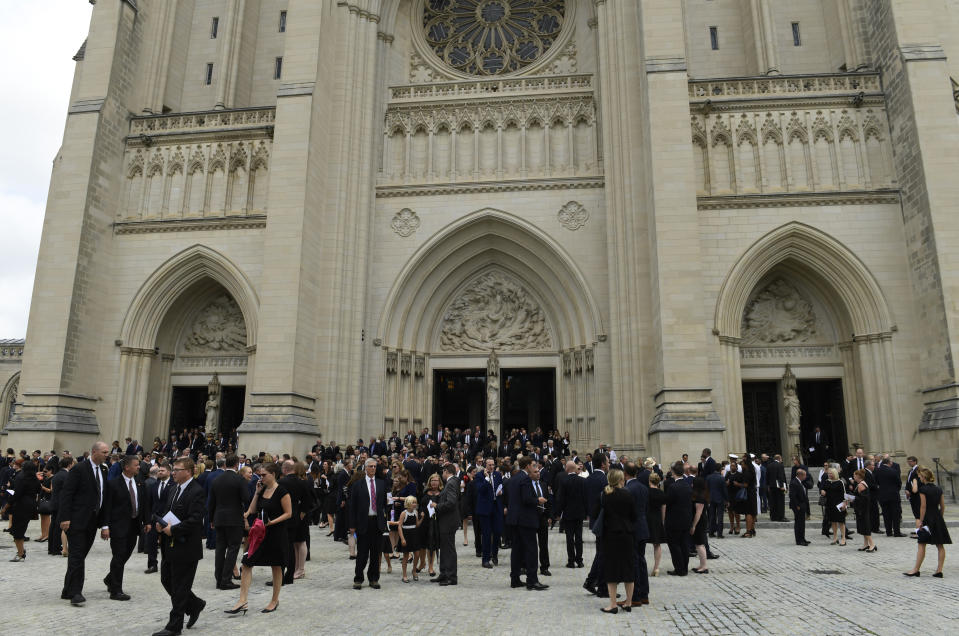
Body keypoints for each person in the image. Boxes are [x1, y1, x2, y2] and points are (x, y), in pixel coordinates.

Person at [227, 462, 291, 616]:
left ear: (273, 474)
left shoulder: (282, 491)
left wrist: (271, 522)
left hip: (276, 533)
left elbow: (289, 513)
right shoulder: (261, 490)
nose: (261, 477)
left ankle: (274, 600)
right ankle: (242, 600)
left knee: (276, 566)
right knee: (247, 563)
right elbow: (254, 509)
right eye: (260, 475)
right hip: (259, 534)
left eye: (264, 475)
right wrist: (256, 493)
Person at [153, 457, 207, 636]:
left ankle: (174, 626)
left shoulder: (197, 491)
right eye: (173, 469)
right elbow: (170, 513)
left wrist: (173, 530)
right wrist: (161, 525)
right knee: (167, 580)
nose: (173, 472)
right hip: (170, 545)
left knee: (180, 586)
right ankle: (195, 604)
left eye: (177, 469)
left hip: (186, 548)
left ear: (189, 472)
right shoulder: (173, 489)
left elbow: (195, 520)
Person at [60, 441, 110, 606]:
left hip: (92, 522)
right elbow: (67, 494)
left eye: (107, 452)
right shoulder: (79, 469)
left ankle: (67, 589)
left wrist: (104, 525)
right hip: (76, 520)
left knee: (79, 556)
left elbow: (102, 497)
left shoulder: (103, 470)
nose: (107, 455)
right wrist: (65, 518)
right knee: (77, 556)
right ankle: (76, 592)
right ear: (94, 452)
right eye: (104, 452)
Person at [100, 455, 149, 600]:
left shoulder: (140, 482)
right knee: (119, 555)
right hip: (117, 527)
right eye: (136, 465)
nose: (139, 467)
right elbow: (107, 507)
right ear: (127, 467)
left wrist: (147, 522)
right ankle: (116, 590)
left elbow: (144, 503)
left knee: (125, 554)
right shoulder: (113, 484)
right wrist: (105, 526)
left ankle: (110, 579)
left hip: (134, 526)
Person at [596, 469, 636, 614]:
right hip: (627, 534)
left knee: (611, 568)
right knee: (628, 568)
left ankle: (613, 604)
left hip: (611, 535)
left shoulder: (605, 495)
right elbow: (634, 515)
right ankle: (629, 602)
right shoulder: (628, 494)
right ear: (620, 479)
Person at [505, 456, 548, 591]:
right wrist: (538, 500)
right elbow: (526, 499)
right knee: (531, 550)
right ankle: (532, 580)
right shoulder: (525, 479)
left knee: (517, 550)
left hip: (514, 519)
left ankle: (515, 579)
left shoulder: (513, 479)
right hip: (525, 520)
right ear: (528, 466)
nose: (535, 468)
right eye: (533, 465)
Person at [208, 453, 248, 590]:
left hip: (219, 518)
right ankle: (225, 580)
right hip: (234, 519)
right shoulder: (239, 479)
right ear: (237, 464)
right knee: (233, 548)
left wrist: (211, 519)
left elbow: (211, 502)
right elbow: (246, 498)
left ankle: (219, 579)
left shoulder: (217, 480)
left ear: (225, 464)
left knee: (220, 549)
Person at [904, 467, 951, 577]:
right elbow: (943, 506)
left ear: (924, 477)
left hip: (927, 518)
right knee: (940, 545)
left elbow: (923, 507)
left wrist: (920, 521)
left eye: (920, 477)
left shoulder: (923, 490)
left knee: (921, 544)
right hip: (937, 517)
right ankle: (939, 571)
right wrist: (940, 517)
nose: (919, 478)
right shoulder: (939, 489)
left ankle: (916, 569)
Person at [349, 458, 388, 590]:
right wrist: (352, 525)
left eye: (374, 466)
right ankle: (358, 578)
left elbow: (384, 504)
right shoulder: (357, 485)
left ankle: (374, 578)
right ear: (365, 468)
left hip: (377, 522)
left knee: (376, 553)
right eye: (370, 466)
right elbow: (352, 506)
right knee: (362, 553)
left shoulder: (381, 483)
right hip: (363, 522)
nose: (372, 468)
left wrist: (385, 519)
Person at [278, 459, 311, 584]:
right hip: (297, 515)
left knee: (286, 546)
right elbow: (307, 500)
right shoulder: (302, 482)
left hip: (284, 515)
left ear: (284, 469)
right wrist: (302, 513)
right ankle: (292, 572)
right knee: (293, 545)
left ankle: (284, 573)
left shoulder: (281, 482)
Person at [623, 462, 649, 607]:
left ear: (625, 474)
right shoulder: (644, 488)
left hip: (632, 529)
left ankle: (635, 596)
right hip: (643, 527)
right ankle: (644, 594)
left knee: (634, 562)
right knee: (641, 560)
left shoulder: (627, 489)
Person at [3, 460, 39, 562]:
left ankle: (20, 553)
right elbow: (38, 490)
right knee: (21, 529)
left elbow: (17, 494)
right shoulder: (35, 479)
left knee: (17, 531)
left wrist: (6, 506)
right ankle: (21, 550)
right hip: (30, 506)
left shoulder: (21, 478)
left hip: (20, 506)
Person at [583, 453, 609, 595]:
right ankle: (602, 587)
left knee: (600, 553)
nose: (609, 464)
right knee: (603, 554)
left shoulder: (589, 479)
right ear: (603, 464)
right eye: (608, 462)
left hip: (594, 520)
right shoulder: (604, 479)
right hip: (605, 521)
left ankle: (591, 581)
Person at [432, 463, 460, 586]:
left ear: (446, 471)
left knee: (448, 549)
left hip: (448, 521)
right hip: (446, 521)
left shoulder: (451, 483)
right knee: (444, 548)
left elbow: (451, 502)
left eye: (442, 472)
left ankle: (451, 576)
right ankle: (444, 573)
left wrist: (437, 506)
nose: (442, 475)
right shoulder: (453, 482)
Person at [555, 459, 586, 568]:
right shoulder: (582, 481)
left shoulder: (564, 481)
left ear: (567, 469)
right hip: (579, 513)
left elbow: (560, 499)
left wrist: (558, 513)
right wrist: (586, 512)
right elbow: (585, 498)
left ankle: (571, 561)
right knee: (579, 537)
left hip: (568, 513)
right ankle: (580, 560)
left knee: (569, 538)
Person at [475, 457, 504, 568]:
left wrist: (501, 491)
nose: (491, 467)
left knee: (497, 532)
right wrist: (486, 479)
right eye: (489, 465)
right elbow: (480, 490)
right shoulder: (479, 476)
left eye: (493, 465)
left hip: (496, 507)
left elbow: (501, 487)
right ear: (485, 465)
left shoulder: (498, 475)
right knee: (486, 534)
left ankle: (495, 555)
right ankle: (485, 559)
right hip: (485, 509)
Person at [664, 461, 692, 576]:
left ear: (673, 472)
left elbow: (668, 503)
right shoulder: (687, 485)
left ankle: (679, 568)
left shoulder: (673, 487)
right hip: (686, 520)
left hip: (674, 521)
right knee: (684, 545)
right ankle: (684, 567)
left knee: (674, 545)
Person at [145, 462, 172, 574]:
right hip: (154, 518)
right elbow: (149, 503)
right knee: (151, 543)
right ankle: (152, 565)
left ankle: (167, 565)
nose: (160, 472)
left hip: (168, 519)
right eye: (159, 471)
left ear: (169, 472)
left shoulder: (174, 485)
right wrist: (148, 519)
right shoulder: (154, 485)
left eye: (162, 471)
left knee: (167, 543)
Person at [49, 455, 73, 557]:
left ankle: (51, 547)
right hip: (61, 504)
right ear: (69, 464)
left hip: (54, 502)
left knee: (53, 525)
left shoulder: (57, 474)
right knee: (59, 527)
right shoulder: (66, 475)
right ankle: (56, 548)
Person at [530, 462, 551, 577]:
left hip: (542, 517)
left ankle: (545, 566)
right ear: (530, 474)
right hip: (532, 517)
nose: (538, 474)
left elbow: (548, 500)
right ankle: (529, 565)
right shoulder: (528, 485)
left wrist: (548, 516)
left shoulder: (543, 484)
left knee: (544, 544)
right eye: (535, 472)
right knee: (531, 544)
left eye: (538, 471)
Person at [419, 473, 442, 577]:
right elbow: (420, 505)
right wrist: (420, 513)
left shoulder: (442, 493)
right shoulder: (424, 492)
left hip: (436, 522)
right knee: (422, 544)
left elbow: (444, 507)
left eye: (436, 480)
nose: (434, 482)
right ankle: (422, 563)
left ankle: (431, 566)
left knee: (431, 545)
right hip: (424, 522)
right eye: (432, 480)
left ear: (439, 482)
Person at [876, 457, 904, 537]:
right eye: (891, 462)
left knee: (886, 514)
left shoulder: (877, 471)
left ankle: (888, 531)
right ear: (889, 463)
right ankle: (897, 532)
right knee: (896, 514)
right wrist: (896, 490)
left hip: (882, 495)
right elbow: (899, 483)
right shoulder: (893, 471)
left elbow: (876, 482)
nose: (892, 463)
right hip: (893, 495)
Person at [646, 472, 667, 577]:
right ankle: (656, 567)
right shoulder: (661, 493)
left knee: (642, 542)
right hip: (657, 518)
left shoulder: (646, 492)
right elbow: (664, 509)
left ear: (649, 480)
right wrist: (662, 521)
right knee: (657, 544)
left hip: (647, 518)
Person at [852, 469, 877, 552]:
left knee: (865, 526)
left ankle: (872, 544)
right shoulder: (861, 483)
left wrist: (853, 498)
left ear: (858, 477)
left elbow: (864, 498)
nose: (853, 477)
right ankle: (866, 544)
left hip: (862, 509)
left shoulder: (861, 485)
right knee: (863, 527)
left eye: (854, 476)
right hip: (862, 509)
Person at [397, 496, 421, 582]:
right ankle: (404, 575)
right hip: (406, 534)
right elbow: (399, 526)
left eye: (415, 502)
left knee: (417, 554)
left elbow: (417, 524)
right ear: (408, 504)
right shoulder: (404, 513)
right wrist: (402, 539)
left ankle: (414, 570)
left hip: (414, 534)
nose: (415, 504)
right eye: (413, 502)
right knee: (406, 556)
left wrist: (422, 518)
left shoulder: (416, 512)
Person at [822, 467, 847, 546]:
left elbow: (844, 494)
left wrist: (844, 504)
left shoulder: (840, 482)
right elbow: (823, 489)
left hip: (839, 504)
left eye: (831, 473)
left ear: (835, 474)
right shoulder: (827, 482)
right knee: (833, 521)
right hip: (830, 505)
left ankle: (843, 538)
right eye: (828, 473)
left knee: (841, 522)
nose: (829, 475)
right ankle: (835, 538)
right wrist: (822, 491)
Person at [690, 476, 709, 574]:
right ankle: (701, 564)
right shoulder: (700, 495)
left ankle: (704, 566)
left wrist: (693, 525)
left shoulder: (700, 498)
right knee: (698, 544)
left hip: (700, 522)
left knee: (700, 544)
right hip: (700, 521)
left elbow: (698, 513)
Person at [790, 468, 810, 546]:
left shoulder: (800, 482)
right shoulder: (794, 483)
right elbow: (792, 496)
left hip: (802, 504)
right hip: (798, 506)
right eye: (805, 475)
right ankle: (799, 540)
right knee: (799, 523)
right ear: (801, 475)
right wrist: (797, 505)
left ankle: (802, 538)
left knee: (802, 523)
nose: (805, 477)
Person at [705, 466, 727, 538]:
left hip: (711, 499)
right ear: (720, 469)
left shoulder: (708, 477)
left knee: (712, 516)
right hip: (720, 499)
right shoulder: (722, 478)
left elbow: (706, 489)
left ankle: (711, 532)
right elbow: (724, 490)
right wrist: (727, 500)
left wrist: (707, 498)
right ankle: (719, 534)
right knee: (720, 516)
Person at [766, 454, 787, 522]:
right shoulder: (780, 465)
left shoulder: (769, 465)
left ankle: (773, 517)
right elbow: (780, 476)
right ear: (779, 458)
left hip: (772, 487)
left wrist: (768, 485)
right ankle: (781, 517)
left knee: (773, 502)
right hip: (779, 487)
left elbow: (767, 477)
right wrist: (782, 486)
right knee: (780, 502)